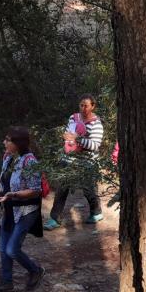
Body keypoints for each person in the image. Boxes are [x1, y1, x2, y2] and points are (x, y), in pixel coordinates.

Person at [0, 127, 45, 292]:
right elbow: (4, 185)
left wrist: (12, 194)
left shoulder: (30, 162)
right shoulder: (8, 159)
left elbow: (35, 190)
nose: (4, 142)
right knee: (4, 248)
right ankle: (6, 282)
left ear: (18, 143)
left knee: (12, 249)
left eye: (8, 140)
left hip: (26, 211)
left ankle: (35, 270)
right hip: (10, 209)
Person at [44, 94, 105, 230]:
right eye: (81, 105)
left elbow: (95, 145)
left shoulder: (96, 124)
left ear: (93, 106)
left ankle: (96, 212)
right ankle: (55, 218)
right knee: (62, 188)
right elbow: (68, 133)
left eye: (86, 106)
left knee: (88, 189)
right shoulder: (73, 117)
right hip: (69, 159)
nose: (83, 108)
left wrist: (78, 140)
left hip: (86, 162)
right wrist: (67, 137)